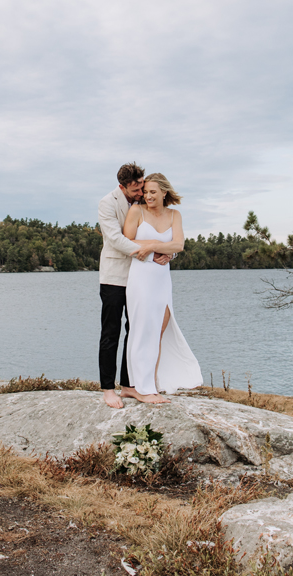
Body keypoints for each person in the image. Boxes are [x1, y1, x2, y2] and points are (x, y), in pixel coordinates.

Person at [98, 162, 172, 408]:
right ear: (122, 187)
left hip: (141, 279)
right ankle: (108, 389)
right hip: (115, 277)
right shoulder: (107, 203)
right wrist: (152, 254)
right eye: (136, 189)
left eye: (142, 186)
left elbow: (162, 234)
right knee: (111, 332)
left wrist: (169, 253)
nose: (141, 193)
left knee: (137, 330)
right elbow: (116, 239)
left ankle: (129, 385)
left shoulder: (144, 203)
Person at [123, 173, 202, 403]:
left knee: (158, 331)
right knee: (141, 331)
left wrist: (158, 248)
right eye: (145, 192)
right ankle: (141, 388)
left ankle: (152, 384)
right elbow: (126, 242)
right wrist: (159, 247)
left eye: (152, 192)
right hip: (141, 277)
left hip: (162, 280)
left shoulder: (174, 215)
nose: (147, 196)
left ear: (164, 192)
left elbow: (179, 245)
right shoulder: (137, 211)